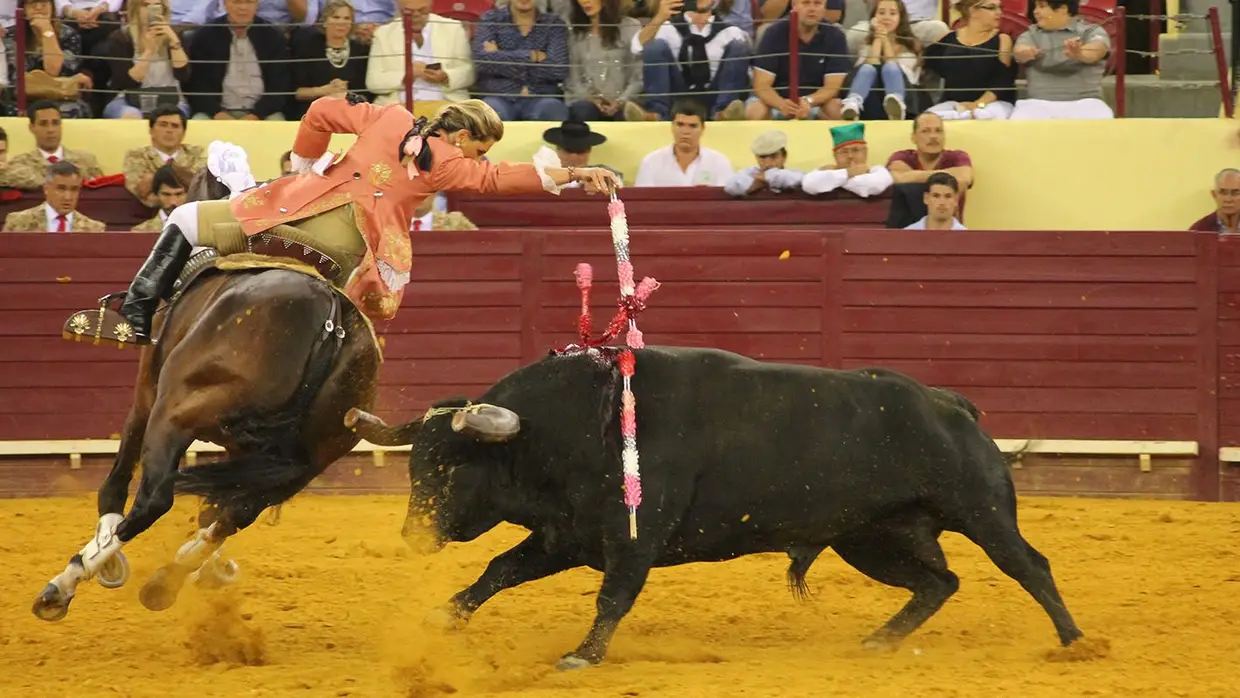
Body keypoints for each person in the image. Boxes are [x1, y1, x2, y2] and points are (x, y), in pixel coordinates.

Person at [108, 97, 621, 344]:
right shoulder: (451, 163)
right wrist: (577, 173)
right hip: (351, 249)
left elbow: (320, 111)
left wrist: (307, 164)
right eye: (481, 148)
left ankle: (136, 311)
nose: (481, 158)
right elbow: (500, 178)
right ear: (464, 138)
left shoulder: (390, 116)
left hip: (291, 212)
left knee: (186, 216)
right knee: (357, 328)